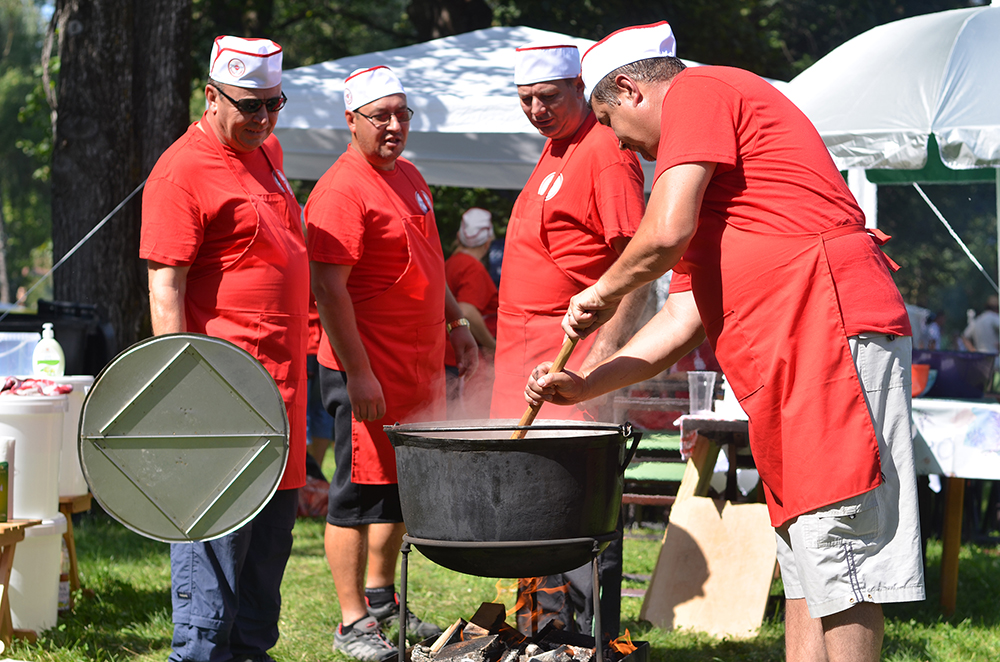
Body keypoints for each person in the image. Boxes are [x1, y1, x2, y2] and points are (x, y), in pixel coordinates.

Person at [526, 22, 924, 662]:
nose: (623, 144)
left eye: (609, 119)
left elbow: (661, 233)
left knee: (839, 538)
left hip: (824, 324)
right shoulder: (711, 192)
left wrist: (599, 291)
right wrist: (587, 383)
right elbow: (680, 319)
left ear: (630, 89)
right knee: (803, 545)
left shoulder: (700, 90)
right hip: (787, 350)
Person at [140, 36, 307, 662]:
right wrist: (183, 399)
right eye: (250, 106)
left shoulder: (268, 152)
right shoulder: (181, 168)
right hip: (221, 403)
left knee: (264, 571)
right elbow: (166, 288)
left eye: (274, 104)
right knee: (212, 570)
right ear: (211, 97)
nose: (264, 119)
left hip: (282, 399)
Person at [304, 65, 478, 661]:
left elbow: (432, 264)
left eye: (403, 113)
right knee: (354, 495)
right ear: (351, 121)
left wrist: (457, 324)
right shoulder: (340, 189)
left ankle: (382, 601)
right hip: (364, 369)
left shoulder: (409, 176)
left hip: (416, 366)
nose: (395, 126)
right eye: (381, 116)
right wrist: (357, 372)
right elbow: (329, 292)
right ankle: (352, 621)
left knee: (397, 490)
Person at [491, 42, 648, 642]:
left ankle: (589, 640)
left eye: (548, 96)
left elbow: (638, 267)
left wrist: (603, 363)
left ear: (579, 90)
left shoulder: (605, 151)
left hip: (572, 368)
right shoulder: (552, 151)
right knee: (533, 510)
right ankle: (540, 629)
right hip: (524, 369)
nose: (536, 109)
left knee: (576, 508)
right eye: (526, 98)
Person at [444, 207, 499, 419]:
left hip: (451, 358)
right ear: (488, 242)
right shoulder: (472, 267)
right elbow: (467, 310)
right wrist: (492, 346)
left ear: (459, 236)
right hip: (463, 360)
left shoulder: (451, 263)